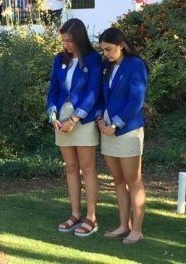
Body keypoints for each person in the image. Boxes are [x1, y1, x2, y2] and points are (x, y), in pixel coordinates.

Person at [47, 18, 101, 237]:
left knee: (87, 169)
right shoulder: (59, 60)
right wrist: (52, 114)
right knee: (70, 168)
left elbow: (92, 92)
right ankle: (75, 214)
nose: (66, 45)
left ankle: (91, 217)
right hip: (61, 120)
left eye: (69, 40)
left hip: (83, 121)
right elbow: (53, 90)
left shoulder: (94, 59)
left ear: (79, 38)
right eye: (63, 40)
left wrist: (75, 120)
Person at [97, 27, 148, 244]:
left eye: (109, 49)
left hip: (127, 130)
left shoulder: (135, 65)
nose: (106, 54)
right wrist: (100, 119)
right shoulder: (107, 67)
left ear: (121, 45)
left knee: (133, 181)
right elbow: (102, 96)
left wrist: (115, 125)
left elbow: (135, 101)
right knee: (118, 181)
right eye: (103, 50)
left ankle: (137, 229)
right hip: (106, 130)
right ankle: (123, 225)